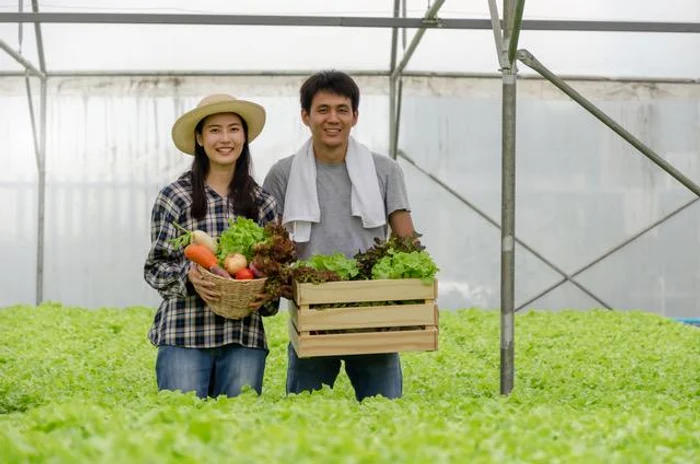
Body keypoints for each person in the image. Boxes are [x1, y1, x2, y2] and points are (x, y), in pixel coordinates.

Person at [263, 70, 417, 402]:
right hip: (312, 316)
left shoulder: (385, 170)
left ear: (355, 116)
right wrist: (281, 279)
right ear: (306, 116)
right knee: (307, 420)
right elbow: (269, 245)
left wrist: (409, 283)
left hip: (373, 316)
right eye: (322, 109)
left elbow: (407, 241)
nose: (333, 119)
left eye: (342, 109)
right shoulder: (283, 173)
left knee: (384, 417)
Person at [144, 94, 279, 399]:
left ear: (244, 137)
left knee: (239, 435)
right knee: (183, 434)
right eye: (215, 130)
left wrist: (264, 293)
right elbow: (155, 268)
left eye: (234, 129)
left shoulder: (263, 202)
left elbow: (272, 275)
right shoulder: (175, 196)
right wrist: (187, 278)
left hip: (243, 338)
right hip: (185, 334)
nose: (225, 138)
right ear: (200, 139)